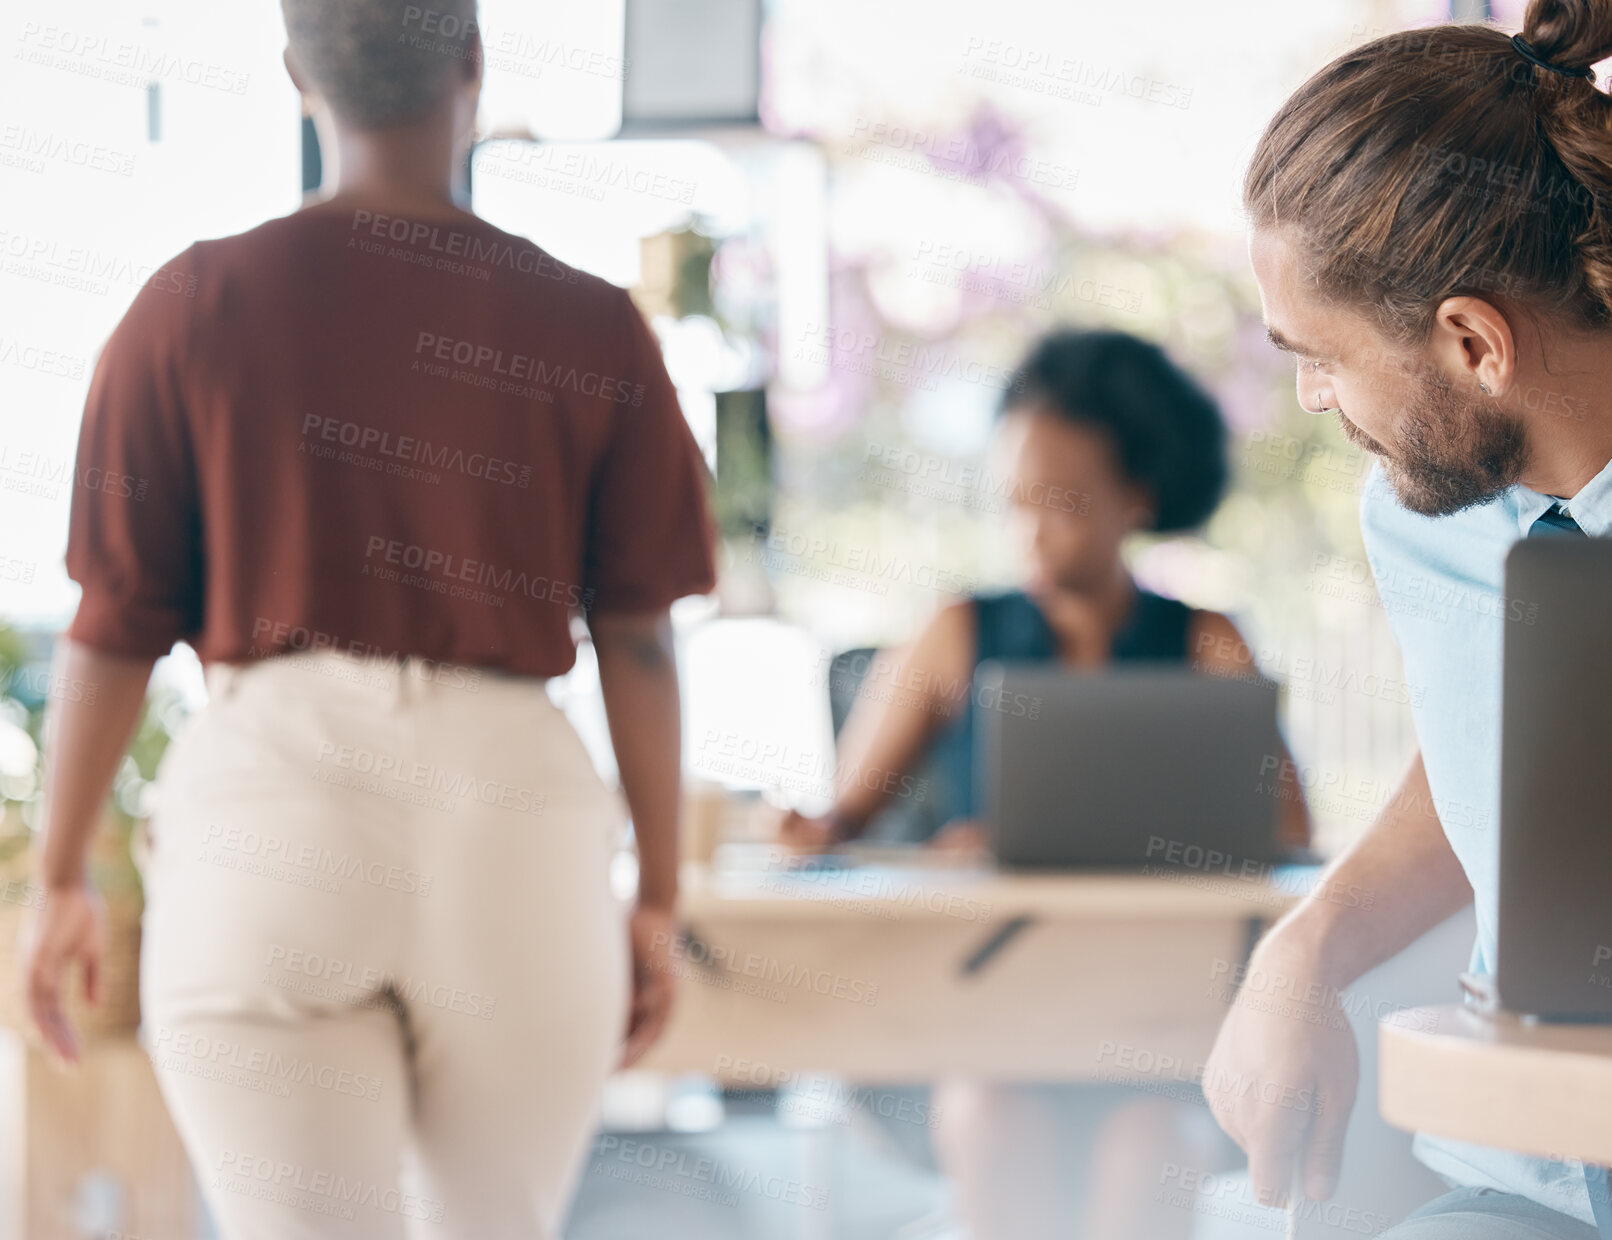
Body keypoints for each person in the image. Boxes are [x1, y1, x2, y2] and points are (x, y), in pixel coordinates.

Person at [19, 2, 716, 1237]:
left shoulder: (190, 304)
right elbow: (641, 636)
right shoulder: (592, 325)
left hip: (269, 806)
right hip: (509, 821)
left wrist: (61, 871)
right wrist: (655, 893)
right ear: (473, 64)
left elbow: (115, 622)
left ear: (299, 77)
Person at [1204, 2, 1612, 1237]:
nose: (1314, 397)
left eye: (1319, 355)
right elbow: (1492, 769)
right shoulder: (1426, 517)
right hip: (1526, 1182)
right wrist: (1306, 947)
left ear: (1473, 341)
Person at [782, 329, 1311, 1240]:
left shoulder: (1208, 643)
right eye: (1015, 503)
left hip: (1158, 1024)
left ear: (1136, 498)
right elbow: (843, 824)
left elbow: (1294, 837)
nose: (1030, 530)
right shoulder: (953, 633)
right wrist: (841, 836)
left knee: (1151, 1143)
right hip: (982, 1016)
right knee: (995, 1121)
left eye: (1060, 503)